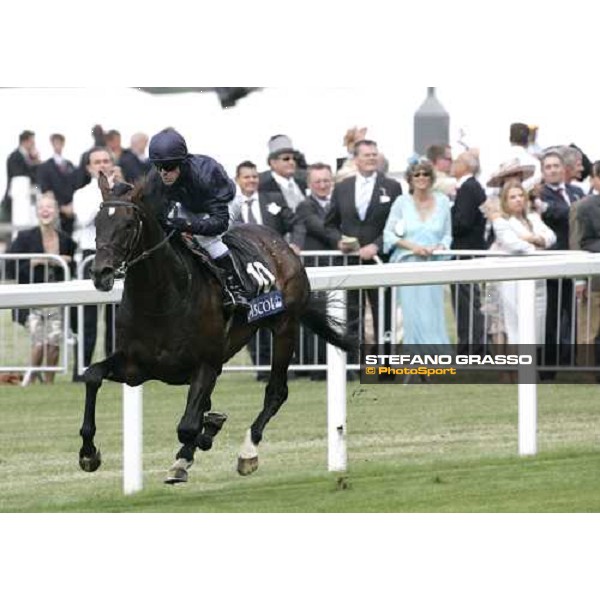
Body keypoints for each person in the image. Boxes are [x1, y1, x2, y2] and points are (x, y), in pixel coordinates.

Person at [147, 128, 249, 310]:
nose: (163, 173)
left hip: (225, 202)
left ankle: (236, 289)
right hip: (191, 203)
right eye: (159, 167)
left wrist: (188, 225)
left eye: (169, 168)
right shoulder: (157, 177)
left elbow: (220, 223)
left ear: (182, 162)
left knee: (205, 238)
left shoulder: (207, 173)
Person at [325, 139, 403, 361]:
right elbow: (329, 224)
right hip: (351, 262)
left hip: (380, 259)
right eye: (367, 155)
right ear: (356, 159)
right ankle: (353, 364)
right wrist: (339, 242)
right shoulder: (342, 187)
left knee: (383, 313)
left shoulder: (392, 186)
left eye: (374, 154)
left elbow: (396, 225)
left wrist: (376, 245)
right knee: (351, 313)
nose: (371, 158)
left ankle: (386, 364)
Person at [229, 160, 295, 378]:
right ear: (238, 179)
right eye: (247, 177)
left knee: (275, 316)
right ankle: (261, 367)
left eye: (255, 176)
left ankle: (279, 367)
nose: (251, 181)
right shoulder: (228, 203)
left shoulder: (273, 200)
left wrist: (296, 243)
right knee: (251, 318)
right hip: (244, 274)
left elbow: (295, 223)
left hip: (273, 273)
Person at [6, 193, 76, 383]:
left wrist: (66, 261)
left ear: (56, 212)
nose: (46, 211)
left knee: (53, 342)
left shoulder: (65, 240)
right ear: (37, 212)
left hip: (56, 299)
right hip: (31, 299)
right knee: (40, 342)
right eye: (42, 207)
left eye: (50, 207)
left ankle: (49, 383)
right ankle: (29, 380)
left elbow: (73, 268)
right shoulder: (24, 237)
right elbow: (11, 267)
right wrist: (34, 262)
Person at [383, 159, 452, 347]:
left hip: (433, 265)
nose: (421, 178)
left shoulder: (443, 202)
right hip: (408, 265)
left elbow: (447, 236)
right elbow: (389, 234)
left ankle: (434, 360)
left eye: (425, 174)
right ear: (410, 179)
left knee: (432, 313)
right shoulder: (401, 203)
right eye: (417, 174)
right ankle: (414, 360)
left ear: (431, 177)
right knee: (411, 314)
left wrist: (437, 248)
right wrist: (413, 247)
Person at [487, 182, 556, 346]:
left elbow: (551, 237)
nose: (518, 200)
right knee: (515, 329)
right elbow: (514, 244)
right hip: (513, 281)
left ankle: (530, 369)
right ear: (505, 201)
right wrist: (537, 244)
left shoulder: (533, 217)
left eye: (520, 196)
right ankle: (515, 370)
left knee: (535, 329)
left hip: (537, 279)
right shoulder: (502, 221)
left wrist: (533, 239)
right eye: (512, 197)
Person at [450, 149, 487, 354]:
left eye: (457, 161)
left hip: (465, 251)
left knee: (467, 302)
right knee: (468, 300)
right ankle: (472, 344)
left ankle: (471, 346)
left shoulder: (467, 187)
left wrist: (446, 221)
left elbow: (462, 222)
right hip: (469, 251)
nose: (453, 165)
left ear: (465, 165)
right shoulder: (473, 187)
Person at [37, 133, 76, 236]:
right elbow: (45, 189)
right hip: (54, 210)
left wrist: (72, 205)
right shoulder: (45, 166)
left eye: (60, 142)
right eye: (56, 143)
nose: (58, 145)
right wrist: (60, 207)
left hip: (70, 210)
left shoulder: (70, 165)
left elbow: (75, 185)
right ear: (52, 144)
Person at [258, 135, 307, 212]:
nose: (292, 162)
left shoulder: (304, 182)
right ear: (273, 163)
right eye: (286, 159)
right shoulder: (264, 188)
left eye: (293, 158)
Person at [2, 130, 41, 222]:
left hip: (28, 199)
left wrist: (36, 162)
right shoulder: (15, 157)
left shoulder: (29, 158)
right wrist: (35, 165)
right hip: (15, 200)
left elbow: (36, 180)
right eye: (32, 142)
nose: (34, 145)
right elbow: (20, 176)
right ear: (25, 142)